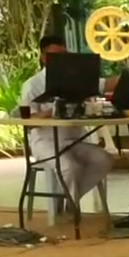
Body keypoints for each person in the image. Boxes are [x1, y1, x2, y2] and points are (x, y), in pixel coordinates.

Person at [19, 35, 115, 214]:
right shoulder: (32, 85)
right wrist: (52, 112)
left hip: (75, 140)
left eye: (64, 55)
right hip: (45, 142)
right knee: (68, 166)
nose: (60, 60)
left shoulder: (77, 79)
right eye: (55, 56)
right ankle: (68, 208)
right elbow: (27, 120)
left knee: (104, 159)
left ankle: (69, 201)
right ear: (43, 58)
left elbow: (106, 85)